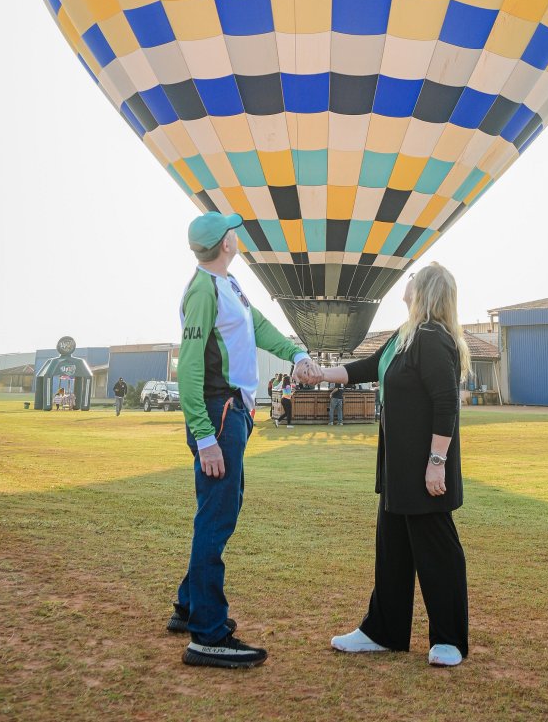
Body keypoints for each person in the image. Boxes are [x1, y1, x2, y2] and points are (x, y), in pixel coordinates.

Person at [169, 210, 321, 668]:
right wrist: (203, 435)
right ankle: (207, 635)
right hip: (218, 414)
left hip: (234, 412)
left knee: (222, 507)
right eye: (232, 232)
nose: (238, 235)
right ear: (226, 244)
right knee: (217, 515)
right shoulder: (203, 291)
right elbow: (191, 367)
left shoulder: (228, 285)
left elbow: (257, 327)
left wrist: (296, 352)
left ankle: (189, 608)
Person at [305, 263, 471, 667]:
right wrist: (319, 374)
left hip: (424, 470)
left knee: (437, 553)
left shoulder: (432, 338)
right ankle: (383, 631)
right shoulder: (405, 335)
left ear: (426, 289)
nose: (407, 280)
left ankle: (449, 640)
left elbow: (446, 403)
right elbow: (364, 368)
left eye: (414, 275)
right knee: (392, 552)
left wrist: (436, 464)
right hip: (398, 470)